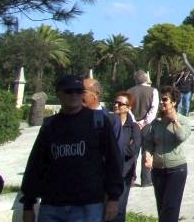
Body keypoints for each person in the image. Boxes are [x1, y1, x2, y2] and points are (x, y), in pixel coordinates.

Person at [20, 75, 123, 222]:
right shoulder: (50, 125)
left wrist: (114, 197)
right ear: (59, 94)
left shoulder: (98, 121)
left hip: (88, 205)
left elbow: (113, 161)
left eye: (79, 91)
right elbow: (36, 165)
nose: (74, 95)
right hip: (53, 205)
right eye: (69, 91)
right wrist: (28, 205)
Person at [143, 86, 191, 222]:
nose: (161, 103)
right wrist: (147, 155)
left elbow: (181, 136)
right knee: (162, 208)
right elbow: (148, 143)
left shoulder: (183, 121)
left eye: (165, 99)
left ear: (174, 102)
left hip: (177, 170)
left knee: (170, 207)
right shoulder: (156, 123)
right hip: (158, 170)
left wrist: (174, 120)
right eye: (160, 99)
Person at [112, 92, 142, 222]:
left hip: (124, 173)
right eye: (115, 102)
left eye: (120, 103)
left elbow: (133, 149)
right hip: (105, 172)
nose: (116, 105)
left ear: (129, 108)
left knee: (119, 209)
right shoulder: (107, 123)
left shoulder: (133, 127)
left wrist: (114, 148)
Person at [128, 69, 159, 186]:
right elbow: (154, 109)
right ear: (146, 79)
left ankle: (130, 178)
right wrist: (145, 122)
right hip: (147, 126)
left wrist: (136, 122)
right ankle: (146, 180)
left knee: (133, 152)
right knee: (147, 151)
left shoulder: (129, 91)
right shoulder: (153, 91)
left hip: (133, 125)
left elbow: (128, 109)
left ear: (136, 79)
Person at [83, 77, 122, 142]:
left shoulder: (112, 119)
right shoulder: (73, 118)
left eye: (82, 92)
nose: (77, 96)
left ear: (96, 94)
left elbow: (117, 148)